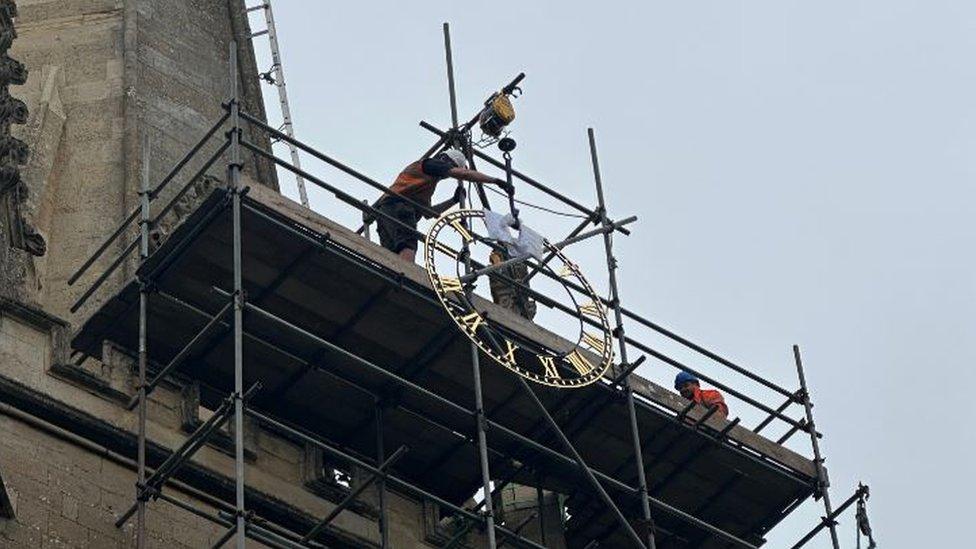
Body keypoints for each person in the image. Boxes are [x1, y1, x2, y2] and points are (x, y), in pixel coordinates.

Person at [374, 149, 512, 262]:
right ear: (445, 160)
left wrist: (453, 200)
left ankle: (396, 275)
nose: (447, 175)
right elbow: (463, 173)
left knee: (391, 252)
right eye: (450, 167)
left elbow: (429, 213)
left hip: (387, 210)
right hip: (399, 206)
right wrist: (495, 180)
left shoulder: (426, 183)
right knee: (408, 245)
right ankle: (405, 275)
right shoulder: (428, 164)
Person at [488, 248, 537, 320]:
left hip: (517, 306)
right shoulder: (497, 268)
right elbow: (498, 287)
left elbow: (525, 285)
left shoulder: (520, 265)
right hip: (508, 305)